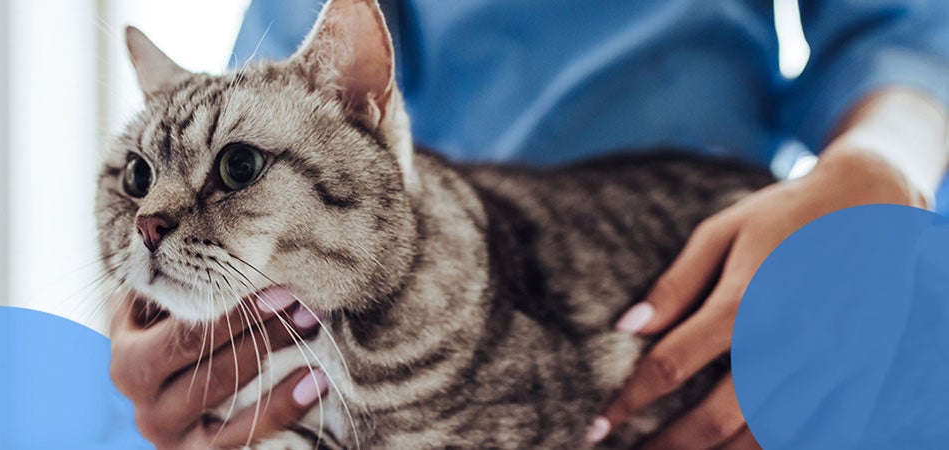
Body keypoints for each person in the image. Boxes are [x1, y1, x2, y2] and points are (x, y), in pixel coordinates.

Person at [110, 1, 949, 448]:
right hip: (416, 265)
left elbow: (907, 26)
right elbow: (281, 100)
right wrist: (177, 323)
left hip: (750, 276)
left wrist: (883, 168)